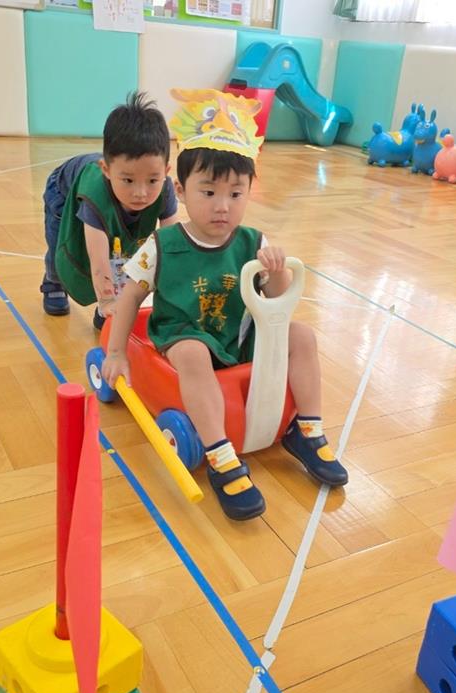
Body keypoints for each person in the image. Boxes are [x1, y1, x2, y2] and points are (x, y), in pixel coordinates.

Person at [102, 89, 348, 521]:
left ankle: (307, 428)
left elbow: (277, 303)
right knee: (194, 354)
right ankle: (219, 452)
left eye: (236, 194)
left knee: (302, 336)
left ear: (250, 190)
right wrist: (118, 351)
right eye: (209, 192)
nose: (222, 207)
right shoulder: (163, 244)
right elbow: (130, 297)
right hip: (184, 334)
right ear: (181, 190)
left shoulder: (253, 241)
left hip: (237, 335)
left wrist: (276, 271)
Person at [41, 91, 178, 324]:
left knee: (123, 253)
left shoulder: (164, 189)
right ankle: (52, 282)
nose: (140, 193)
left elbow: (171, 245)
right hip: (62, 194)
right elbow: (99, 260)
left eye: (152, 180)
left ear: (165, 172)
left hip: (106, 198)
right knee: (61, 253)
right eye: (128, 180)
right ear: (106, 170)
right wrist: (106, 302)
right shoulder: (96, 192)